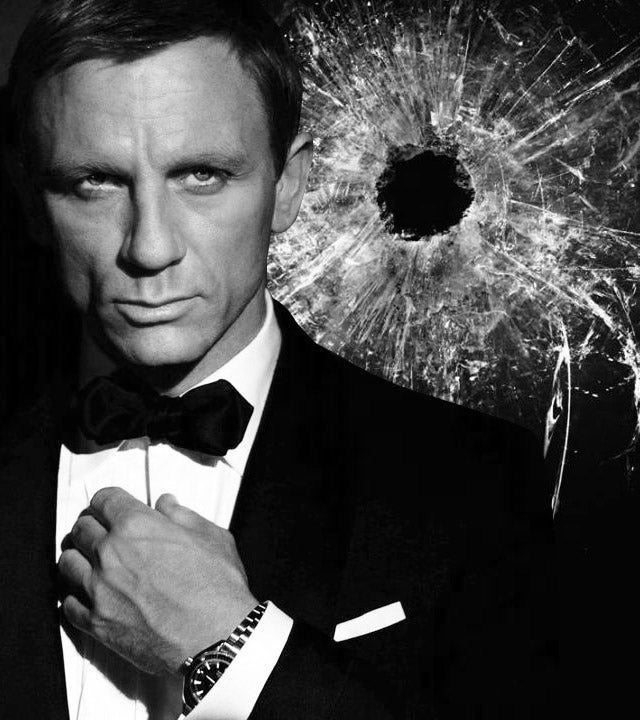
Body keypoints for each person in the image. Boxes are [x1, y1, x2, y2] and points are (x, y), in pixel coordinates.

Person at [0, 1, 557, 718]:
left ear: (288, 184)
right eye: (93, 182)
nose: (150, 247)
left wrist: (234, 652)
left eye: (201, 174)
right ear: (29, 198)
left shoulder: (473, 482)